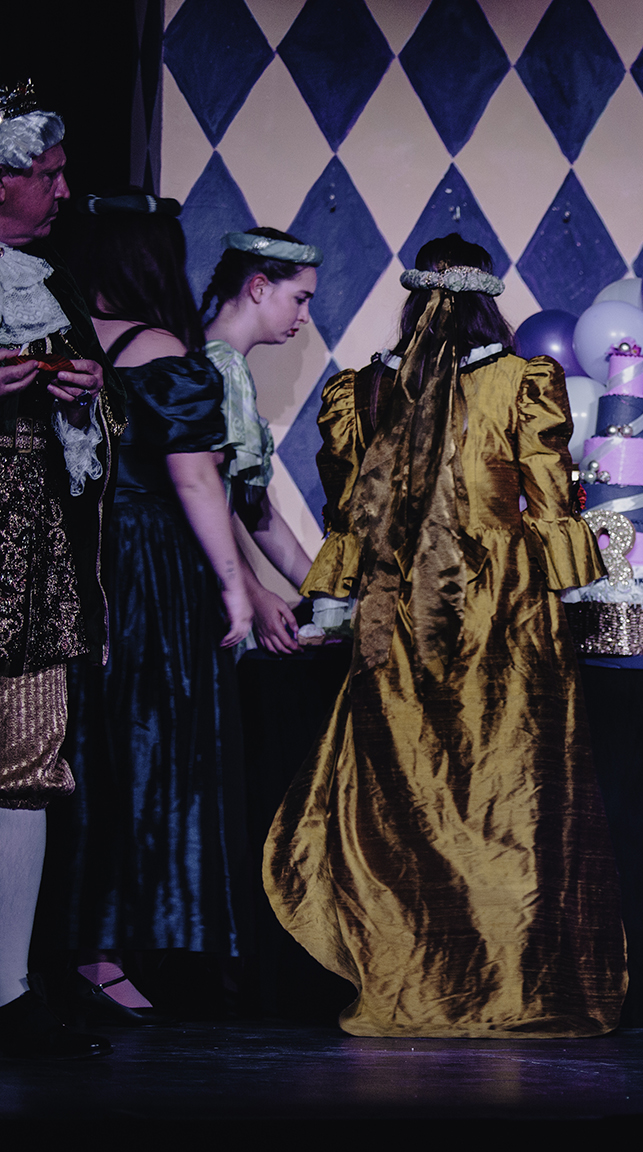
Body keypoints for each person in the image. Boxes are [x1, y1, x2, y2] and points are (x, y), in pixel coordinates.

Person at [267, 233, 627, 1037]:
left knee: (407, 796)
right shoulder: (523, 383)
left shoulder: (364, 390)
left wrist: (335, 596)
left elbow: (351, 512)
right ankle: (506, 978)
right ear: (487, 301)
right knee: (507, 791)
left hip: (398, 610)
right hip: (505, 609)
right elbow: (550, 497)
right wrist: (578, 584)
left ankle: (414, 973)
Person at [33, 191, 252, 1024]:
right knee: (144, 746)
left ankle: (72, 948)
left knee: (85, 747)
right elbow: (195, 480)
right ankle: (106, 952)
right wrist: (233, 584)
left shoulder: (63, 340)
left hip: (77, 555)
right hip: (146, 563)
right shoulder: (160, 348)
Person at [0, 79, 116, 1059]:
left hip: (31, 557)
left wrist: (83, 396)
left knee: (28, 766)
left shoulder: (55, 286)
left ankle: (9, 990)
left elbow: (97, 440)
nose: (64, 191)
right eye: (48, 174)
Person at [199, 227, 318, 653]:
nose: (305, 317)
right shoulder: (224, 368)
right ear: (259, 287)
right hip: (205, 584)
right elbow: (212, 501)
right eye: (300, 299)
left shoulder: (210, 358)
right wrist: (254, 593)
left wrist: (320, 589)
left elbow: (251, 507)